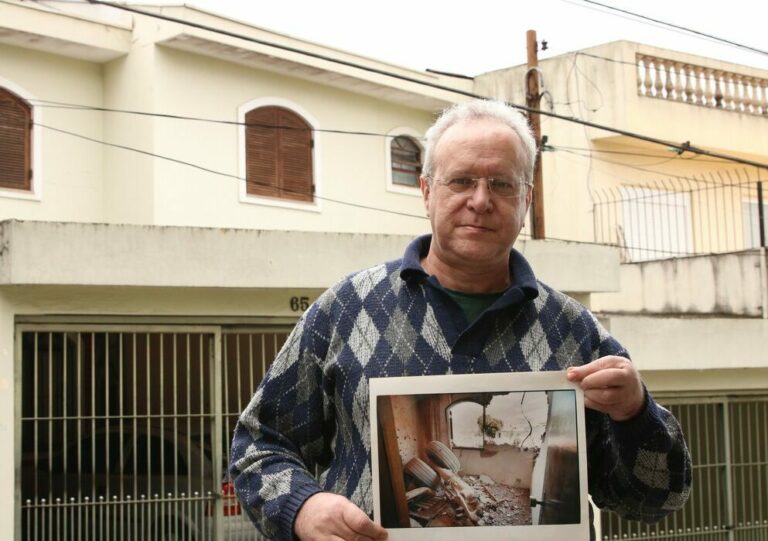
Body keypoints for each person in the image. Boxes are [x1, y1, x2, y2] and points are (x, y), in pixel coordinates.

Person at [230, 99, 691, 541]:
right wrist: (303, 508)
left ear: (526, 199)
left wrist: (635, 413)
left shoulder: (576, 332)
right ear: (427, 191)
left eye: (503, 184)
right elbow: (258, 444)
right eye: (461, 181)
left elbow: (655, 501)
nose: (481, 200)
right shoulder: (346, 310)